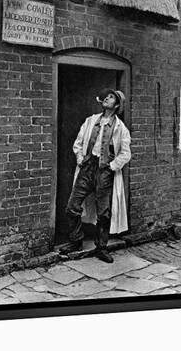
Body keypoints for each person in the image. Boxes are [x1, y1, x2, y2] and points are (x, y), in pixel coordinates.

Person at [59, 89, 131, 263]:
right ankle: (76, 241)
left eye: (111, 97)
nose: (107, 98)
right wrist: (80, 158)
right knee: (72, 207)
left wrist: (111, 166)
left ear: (117, 105)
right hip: (87, 169)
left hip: (104, 172)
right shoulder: (91, 121)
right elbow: (78, 143)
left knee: (104, 213)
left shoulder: (121, 129)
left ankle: (102, 247)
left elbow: (125, 154)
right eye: (106, 96)